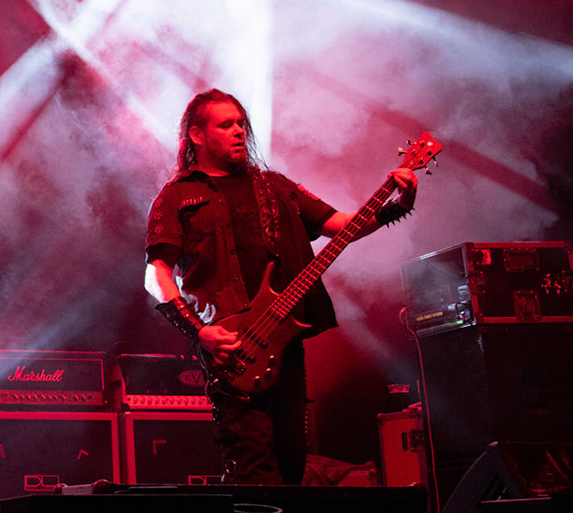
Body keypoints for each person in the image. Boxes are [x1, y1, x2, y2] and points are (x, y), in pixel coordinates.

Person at [143, 90, 414, 484]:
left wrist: (397, 204)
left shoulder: (275, 186)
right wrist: (199, 331)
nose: (239, 131)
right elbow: (156, 274)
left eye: (241, 123)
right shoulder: (176, 196)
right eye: (226, 124)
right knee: (253, 466)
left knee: (292, 462)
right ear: (197, 136)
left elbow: (343, 226)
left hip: (285, 346)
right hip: (233, 348)